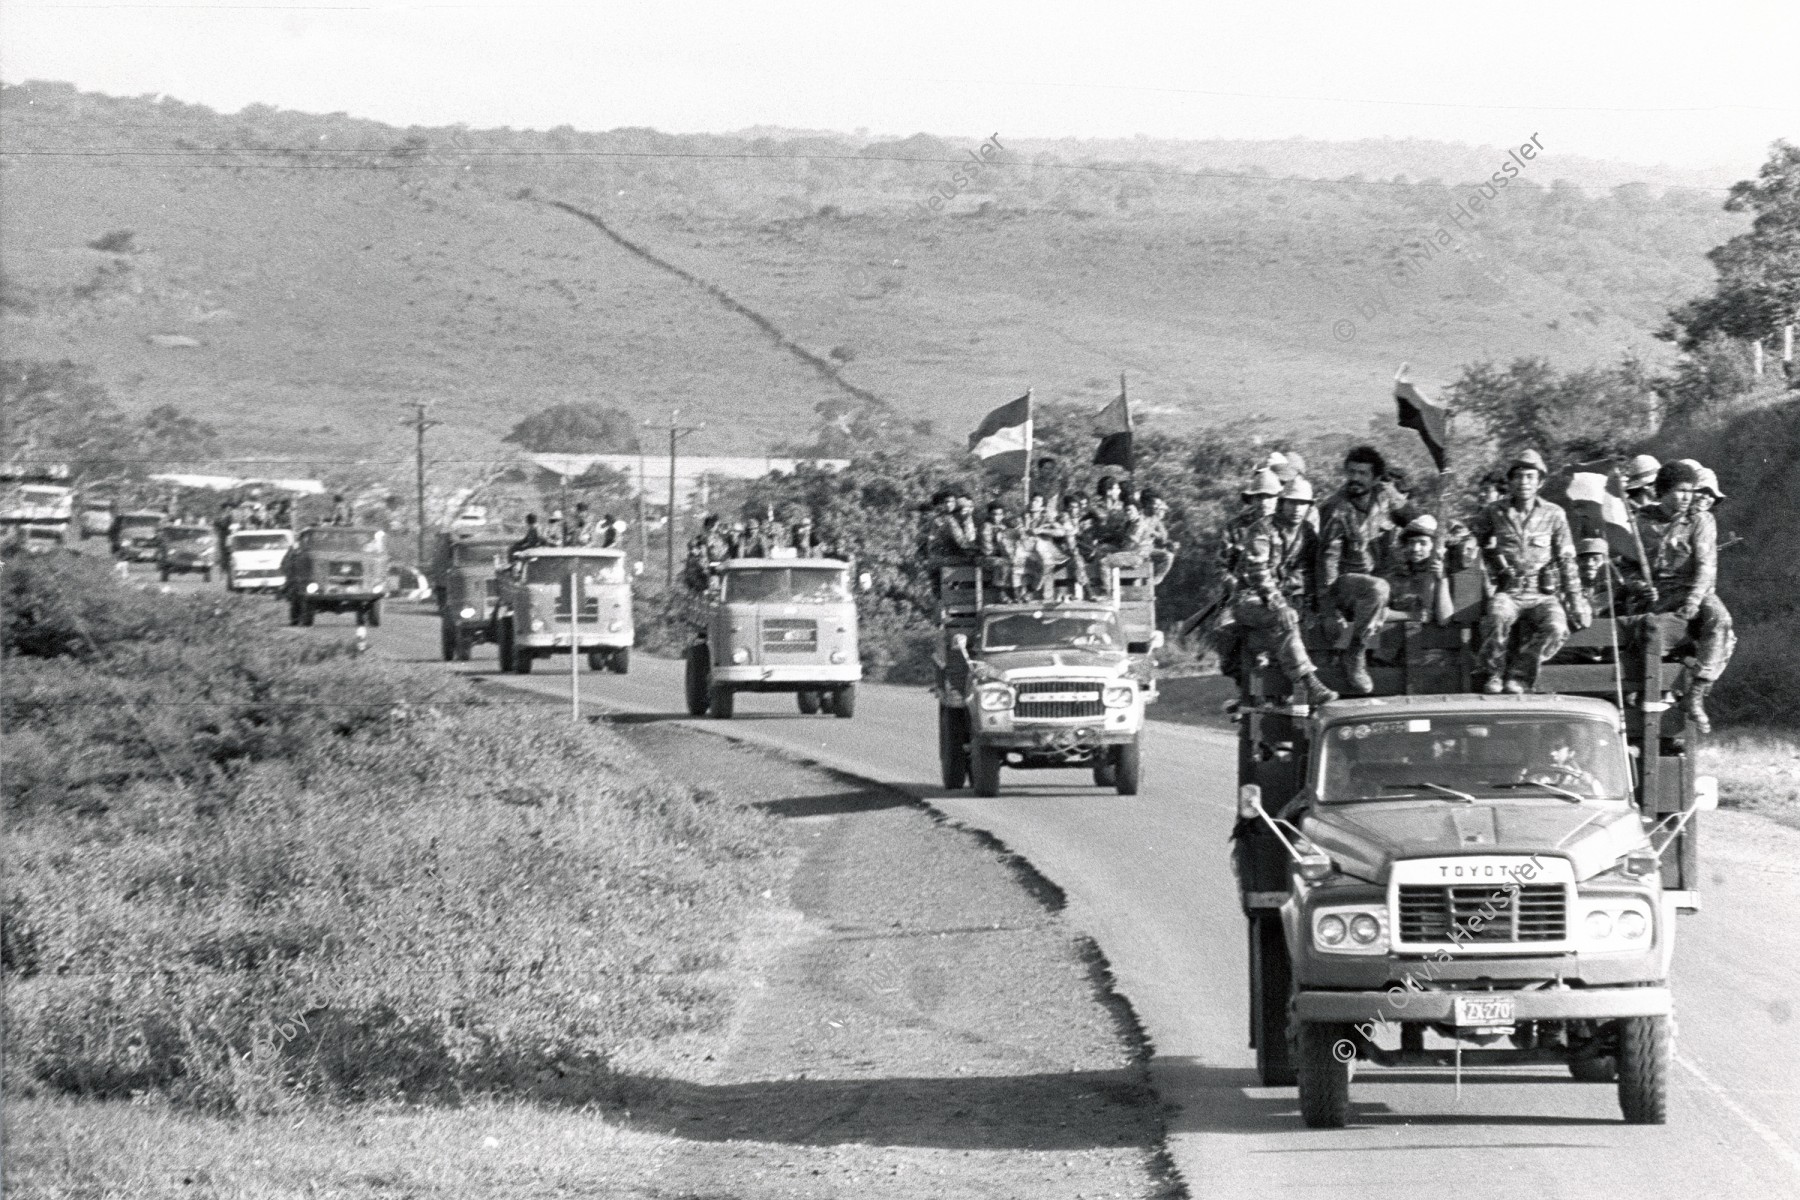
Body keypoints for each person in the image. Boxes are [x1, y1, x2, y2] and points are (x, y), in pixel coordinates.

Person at [1622, 460, 1734, 732]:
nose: (1687, 497)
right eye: (1680, 491)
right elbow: (1626, 566)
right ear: (1663, 491)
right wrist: (1638, 585)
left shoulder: (1700, 520)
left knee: (1720, 621)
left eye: (1690, 491)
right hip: (1657, 593)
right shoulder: (1642, 522)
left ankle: (1696, 695)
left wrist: (1694, 602)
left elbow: (1706, 566)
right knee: (1648, 631)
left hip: (1691, 589)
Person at [1470, 449, 1589, 693]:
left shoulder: (1554, 514)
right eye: (1519, 476)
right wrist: (1483, 554)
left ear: (1540, 482)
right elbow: (1472, 537)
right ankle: (1493, 673)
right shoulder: (1496, 511)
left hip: (1542, 592)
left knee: (1556, 627)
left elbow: (1567, 559)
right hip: (1510, 589)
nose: (1524, 482)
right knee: (1496, 614)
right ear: (1510, 481)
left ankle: (1519, 675)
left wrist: (1576, 602)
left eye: (1530, 477)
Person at [1215, 467, 1337, 706]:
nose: (1297, 508)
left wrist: (1311, 602)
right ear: (1282, 503)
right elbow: (1257, 572)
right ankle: (1307, 680)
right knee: (1272, 622)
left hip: (1288, 598)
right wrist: (1280, 603)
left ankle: (1292, 694)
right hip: (1249, 599)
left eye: (1303, 504)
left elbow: (1310, 572)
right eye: (1292, 503)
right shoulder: (1262, 529)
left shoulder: (1308, 533)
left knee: (1308, 625)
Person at [1317, 445, 1408, 695]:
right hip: (1345, 586)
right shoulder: (1335, 508)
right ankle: (1354, 655)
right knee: (1377, 589)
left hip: (1381, 581)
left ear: (1376, 477)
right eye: (1352, 472)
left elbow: (1413, 518)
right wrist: (1328, 609)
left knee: (1411, 595)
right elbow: (1328, 559)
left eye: (1363, 473)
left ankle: (1389, 657)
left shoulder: (1385, 496)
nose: (1355, 478)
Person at [1381, 515, 1453, 626]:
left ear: (1433, 546)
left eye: (1423, 543)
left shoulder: (1441, 577)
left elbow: (1444, 619)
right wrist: (1412, 615)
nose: (1415, 548)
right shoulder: (1394, 577)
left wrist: (1442, 580)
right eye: (1411, 542)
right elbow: (1376, 613)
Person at [1574, 536, 1625, 620]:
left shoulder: (1617, 584)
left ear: (1605, 560)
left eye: (1595, 559)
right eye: (1584, 559)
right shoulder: (1569, 586)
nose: (1589, 563)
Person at [977, 500, 1018, 598]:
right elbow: (988, 550)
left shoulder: (1003, 526)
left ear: (1003, 515)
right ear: (989, 514)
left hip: (999, 556)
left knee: (1016, 561)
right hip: (984, 558)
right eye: (994, 514)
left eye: (999, 514)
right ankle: (1001, 592)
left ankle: (1017, 591)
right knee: (1003, 562)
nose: (996, 517)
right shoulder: (985, 527)